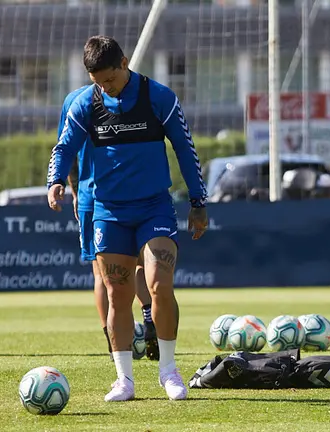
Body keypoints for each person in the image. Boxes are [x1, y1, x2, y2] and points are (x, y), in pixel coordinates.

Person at [47, 35, 208, 401]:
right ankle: (124, 380)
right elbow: (65, 145)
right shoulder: (85, 103)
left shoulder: (159, 97)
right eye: (98, 81)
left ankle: (169, 371)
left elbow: (185, 149)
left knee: (159, 284)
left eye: (110, 79)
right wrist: (55, 180)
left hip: (154, 208)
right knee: (117, 295)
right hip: (108, 211)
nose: (106, 87)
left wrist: (198, 201)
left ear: (124, 64)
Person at [60, 85, 159, 362]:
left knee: (102, 273)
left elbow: (66, 150)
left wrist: (75, 192)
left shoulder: (75, 100)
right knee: (139, 264)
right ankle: (149, 321)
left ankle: (112, 337)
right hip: (131, 192)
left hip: (93, 194)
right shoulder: (130, 94)